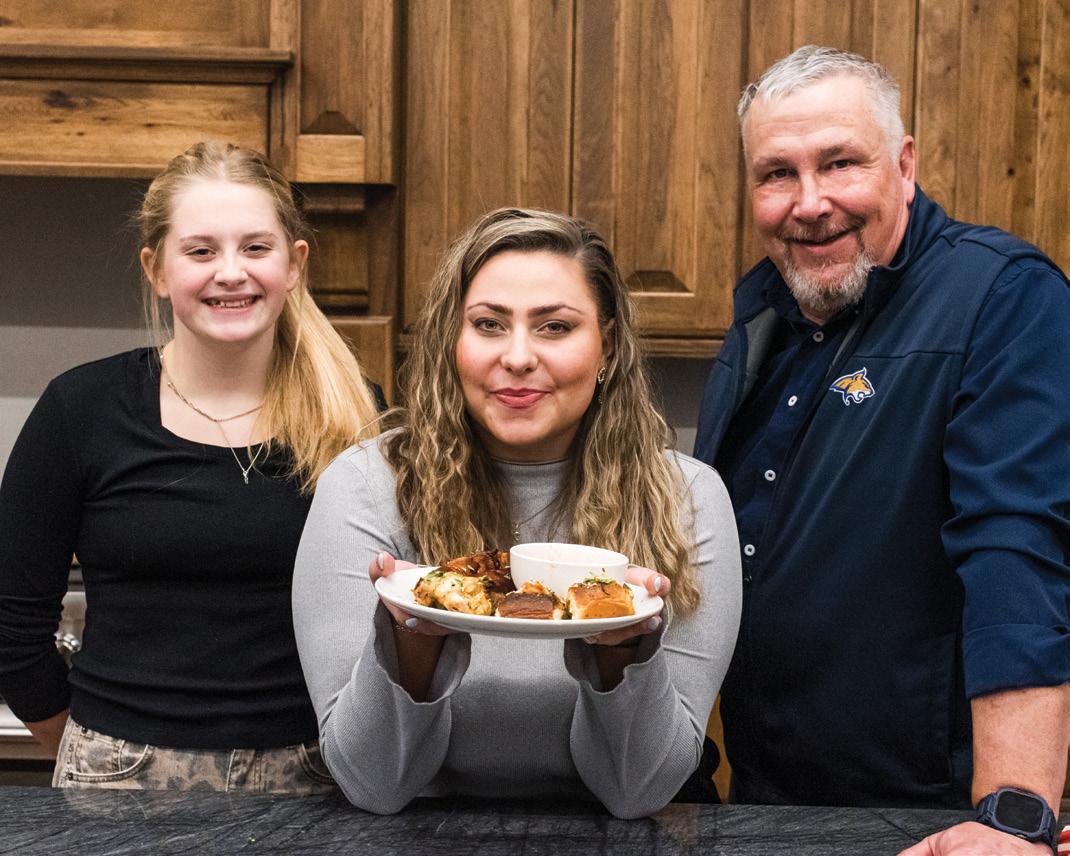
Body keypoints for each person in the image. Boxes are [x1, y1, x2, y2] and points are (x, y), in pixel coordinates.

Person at [694, 45, 1069, 853]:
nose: (810, 202)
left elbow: (1017, 548)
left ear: (903, 165)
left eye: (840, 163)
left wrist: (1013, 815)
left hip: (930, 818)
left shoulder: (1000, 295)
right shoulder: (764, 312)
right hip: (767, 800)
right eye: (777, 174)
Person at [292, 208, 742, 818]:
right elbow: (373, 782)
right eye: (489, 324)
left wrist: (620, 649)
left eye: (555, 327)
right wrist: (412, 640)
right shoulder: (368, 486)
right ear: (452, 342)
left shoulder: (685, 499)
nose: (519, 356)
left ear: (607, 346)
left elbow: (640, 789)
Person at [0, 141, 383, 793]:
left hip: (317, 776)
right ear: (156, 269)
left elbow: (391, 618)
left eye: (255, 248)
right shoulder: (80, 409)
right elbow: (11, 626)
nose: (230, 272)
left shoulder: (354, 412)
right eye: (201, 251)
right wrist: (93, 757)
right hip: (120, 774)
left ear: (294, 264)